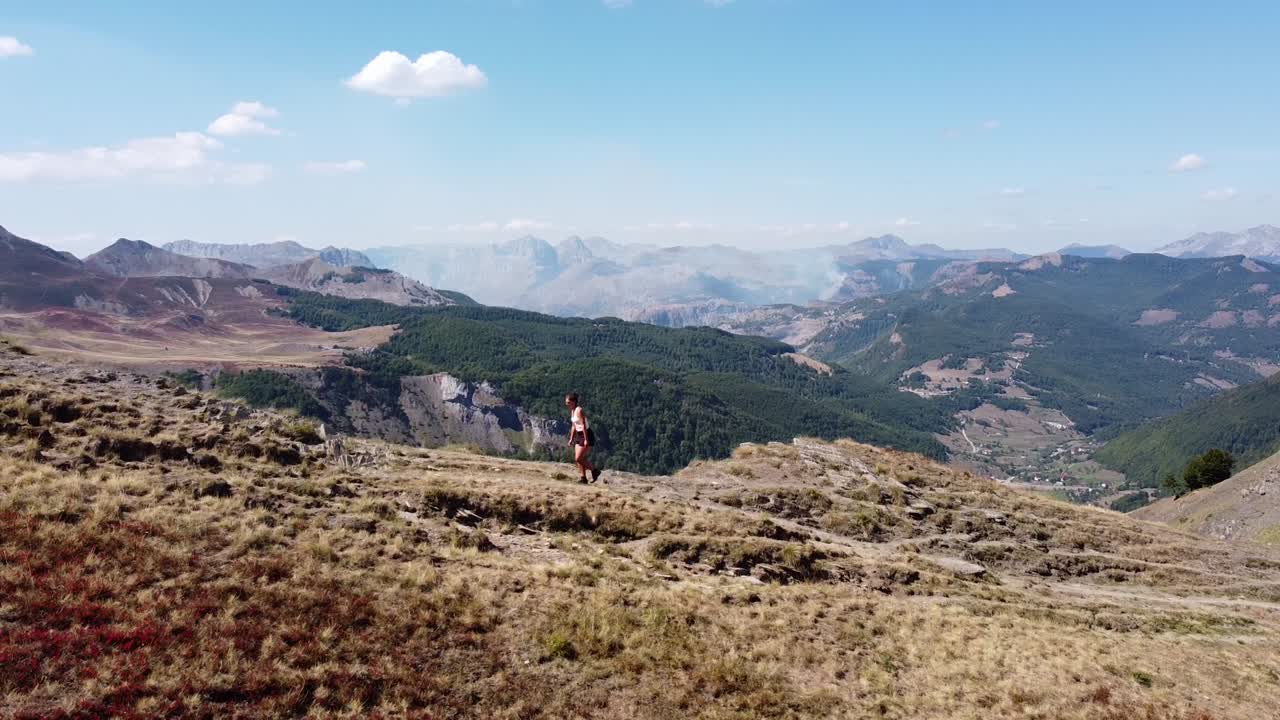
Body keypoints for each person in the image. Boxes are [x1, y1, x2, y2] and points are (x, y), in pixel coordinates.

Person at [565, 393, 601, 483]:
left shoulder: (579, 410)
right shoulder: (572, 411)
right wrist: (571, 438)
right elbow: (574, 426)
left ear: (574, 402)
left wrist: (586, 439)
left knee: (578, 458)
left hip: (586, 434)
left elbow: (583, 425)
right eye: (566, 402)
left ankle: (594, 470)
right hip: (579, 435)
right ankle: (583, 478)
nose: (566, 404)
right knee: (579, 459)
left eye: (568, 402)